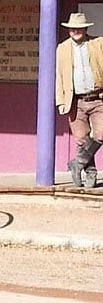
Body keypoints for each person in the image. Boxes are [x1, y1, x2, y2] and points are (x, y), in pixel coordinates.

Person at [55, 12, 103, 188]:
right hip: (76, 100)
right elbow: (59, 76)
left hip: (98, 98)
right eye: (72, 28)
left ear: (85, 28)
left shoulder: (98, 43)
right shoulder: (62, 48)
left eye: (79, 28)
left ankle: (77, 162)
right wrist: (60, 100)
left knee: (100, 133)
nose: (75, 31)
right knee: (82, 138)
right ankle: (90, 173)